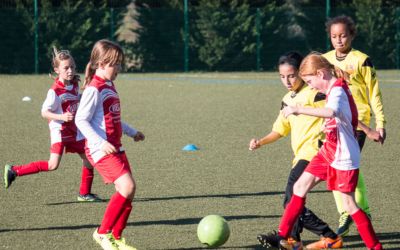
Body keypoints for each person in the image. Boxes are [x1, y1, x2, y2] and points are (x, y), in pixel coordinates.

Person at [258, 53, 383, 250]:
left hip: (343, 156)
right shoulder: (332, 88)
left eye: (310, 81)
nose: (312, 86)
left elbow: (331, 111)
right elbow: (338, 117)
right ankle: (283, 236)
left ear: (321, 74)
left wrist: (298, 109)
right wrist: (330, 126)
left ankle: (375, 247)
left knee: (350, 206)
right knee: (298, 188)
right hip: (328, 150)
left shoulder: (338, 91)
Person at [250, 52, 342, 249]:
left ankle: (321, 237)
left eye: (291, 75)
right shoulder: (286, 99)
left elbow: (336, 108)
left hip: (316, 153)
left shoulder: (314, 92)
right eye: (282, 77)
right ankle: (298, 240)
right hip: (300, 156)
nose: (287, 81)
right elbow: (279, 129)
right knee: (293, 201)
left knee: (292, 199)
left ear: (301, 72)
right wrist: (261, 142)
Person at [3, 47, 100, 202]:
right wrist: (61, 116)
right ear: (57, 70)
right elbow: (44, 112)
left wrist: (86, 96)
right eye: (66, 68)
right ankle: (14, 171)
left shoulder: (74, 83)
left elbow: (74, 98)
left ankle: (84, 193)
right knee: (52, 165)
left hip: (74, 131)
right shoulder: (54, 91)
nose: (70, 71)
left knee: (88, 158)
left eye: (72, 67)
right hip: (60, 131)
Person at [75, 39, 144, 250]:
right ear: (101, 63)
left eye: (120, 64)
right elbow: (80, 120)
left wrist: (132, 132)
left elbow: (113, 118)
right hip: (100, 149)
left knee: (129, 192)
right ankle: (102, 233)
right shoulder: (94, 89)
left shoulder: (109, 86)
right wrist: (100, 142)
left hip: (115, 146)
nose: (119, 69)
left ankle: (116, 237)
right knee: (127, 186)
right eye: (115, 64)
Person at [323, 15, 386, 237]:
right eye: (334, 36)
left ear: (351, 35)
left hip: (357, 123)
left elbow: (373, 93)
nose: (338, 40)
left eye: (342, 35)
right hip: (333, 123)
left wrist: (380, 123)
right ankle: (349, 212)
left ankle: (357, 211)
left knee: (345, 167)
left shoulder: (362, 60)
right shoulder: (325, 59)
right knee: (335, 169)